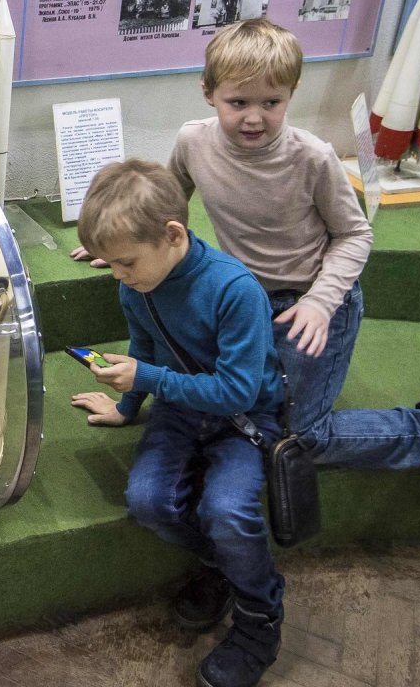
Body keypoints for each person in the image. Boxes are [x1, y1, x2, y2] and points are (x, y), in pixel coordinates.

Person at [72, 17, 420, 523]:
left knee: (297, 433)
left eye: (271, 103)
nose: (255, 117)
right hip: (245, 299)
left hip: (310, 302)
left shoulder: (312, 157)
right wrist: (128, 245)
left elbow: (356, 234)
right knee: (247, 408)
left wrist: (319, 302)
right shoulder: (192, 141)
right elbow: (169, 204)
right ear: (208, 93)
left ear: (291, 94)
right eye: (238, 102)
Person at [70, 159, 286, 687]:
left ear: (172, 235)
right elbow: (144, 346)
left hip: (244, 417)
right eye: (110, 264)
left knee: (228, 511)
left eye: (125, 263)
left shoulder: (235, 290)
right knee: (147, 501)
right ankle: (225, 567)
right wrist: (126, 406)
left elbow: (240, 390)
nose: (118, 276)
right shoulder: (137, 285)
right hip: (180, 407)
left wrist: (150, 378)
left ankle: (261, 621)